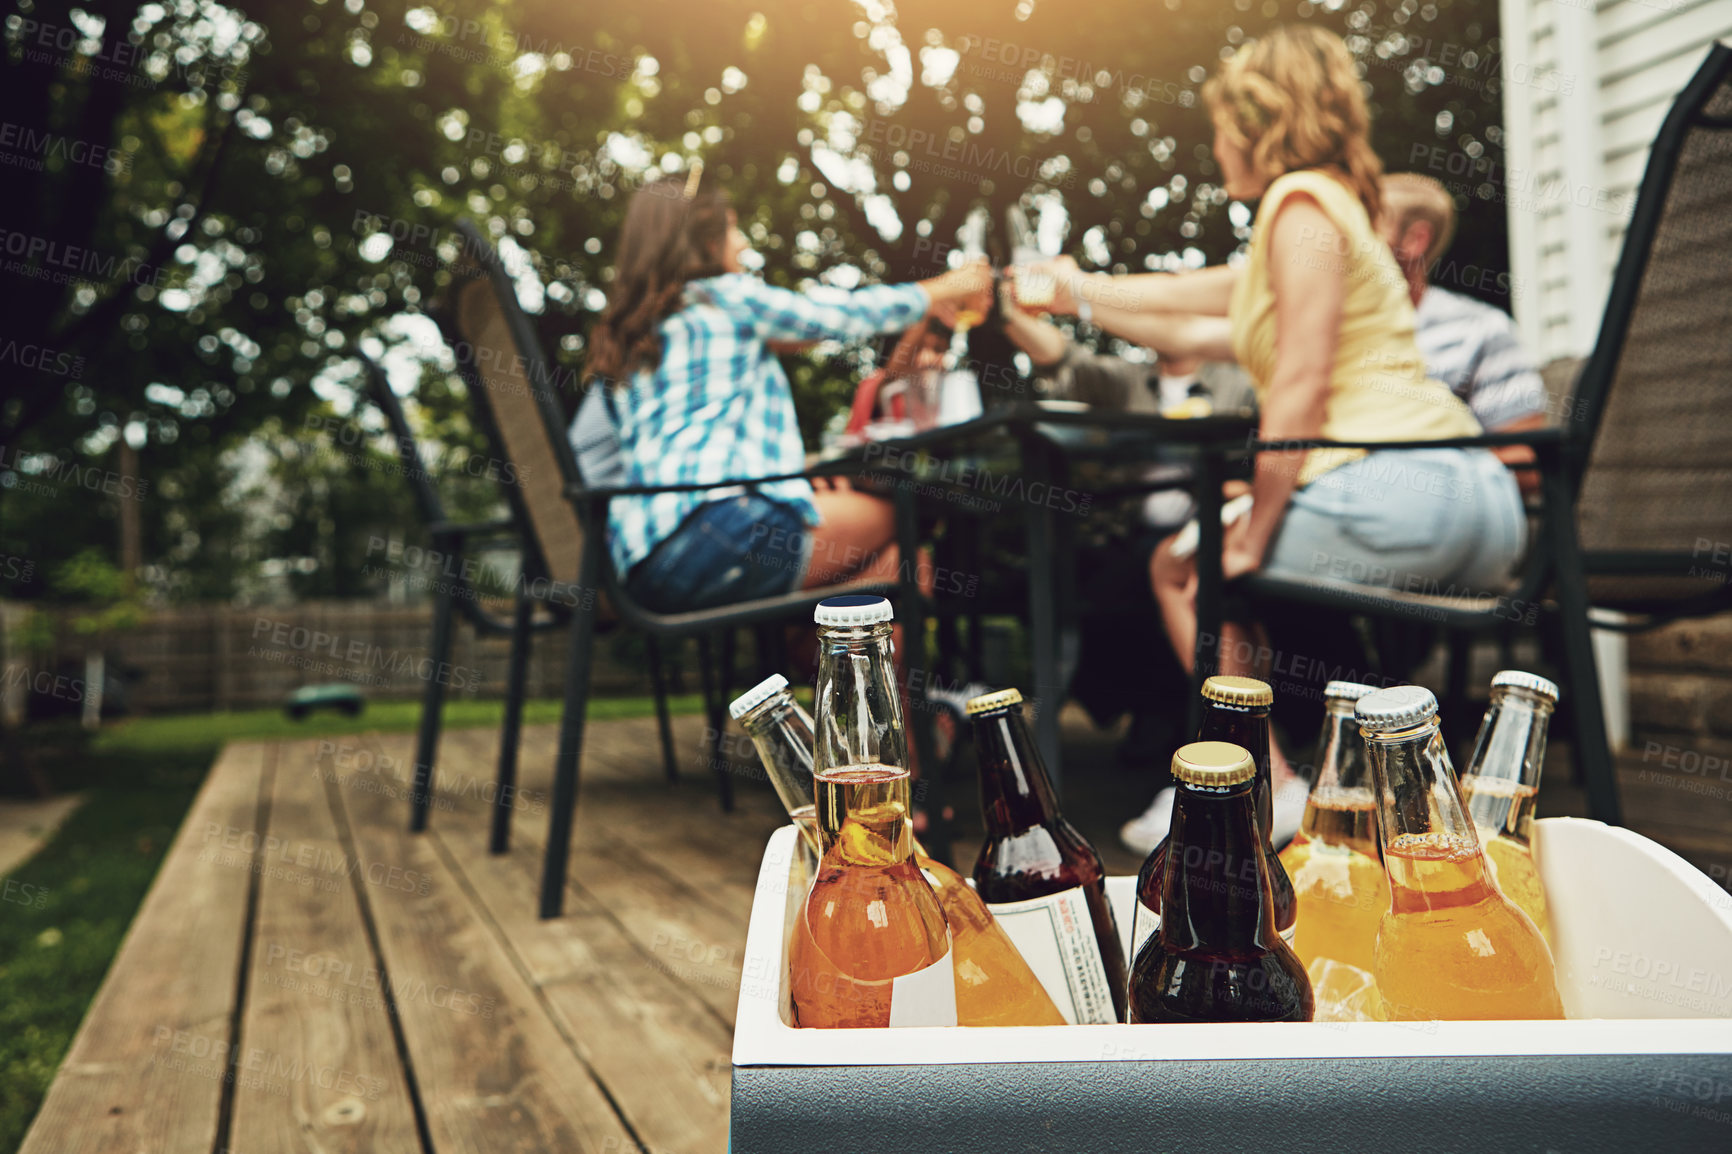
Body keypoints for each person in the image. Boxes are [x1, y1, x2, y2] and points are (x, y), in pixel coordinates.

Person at [1035, 26, 1526, 849]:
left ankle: (1267, 788)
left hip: (1399, 493)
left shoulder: (1297, 203)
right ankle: (1318, 785)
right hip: (1480, 501)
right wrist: (1076, 295)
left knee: (1186, 565)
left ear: (1258, 119)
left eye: (1224, 122)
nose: (1216, 141)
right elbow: (1196, 309)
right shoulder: (1324, 215)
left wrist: (1256, 530)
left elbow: (1293, 381)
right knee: (1217, 554)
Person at [581, 172, 990, 612]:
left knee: (894, 568)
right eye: (734, 229)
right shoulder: (726, 297)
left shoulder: (638, 338)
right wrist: (942, 289)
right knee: (907, 513)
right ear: (704, 239)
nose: (742, 245)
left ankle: (836, 674)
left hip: (646, 567)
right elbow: (834, 315)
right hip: (726, 531)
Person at [998, 289, 1256, 772]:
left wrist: (1239, 487)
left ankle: (1184, 729)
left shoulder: (1242, 380)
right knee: (1070, 581)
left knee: (1162, 582)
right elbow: (1063, 358)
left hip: (1215, 529)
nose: (1167, 313)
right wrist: (1003, 306)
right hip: (1134, 529)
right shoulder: (1127, 381)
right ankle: (1152, 715)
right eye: (1157, 305)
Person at [1378, 172, 1550, 491]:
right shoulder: (1325, 333)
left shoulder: (1480, 330)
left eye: (1366, 226)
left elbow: (1526, 462)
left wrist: (1410, 482)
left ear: (1415, 240)